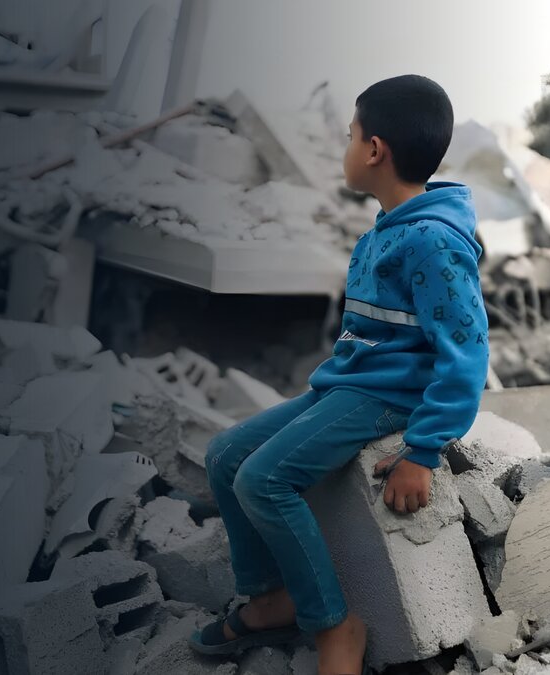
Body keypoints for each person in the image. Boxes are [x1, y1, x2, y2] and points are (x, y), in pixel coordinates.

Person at [188, 74, 489, 675]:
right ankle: (271, 598)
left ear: (374, 149)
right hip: (347, 386)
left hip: (388, 398)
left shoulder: (433, 241)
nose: (345, 149)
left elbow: (466, 353)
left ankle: (335, 625)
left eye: (349, 136)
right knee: (224, 455)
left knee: (262, 481)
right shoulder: (383, 232)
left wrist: (423, 451)